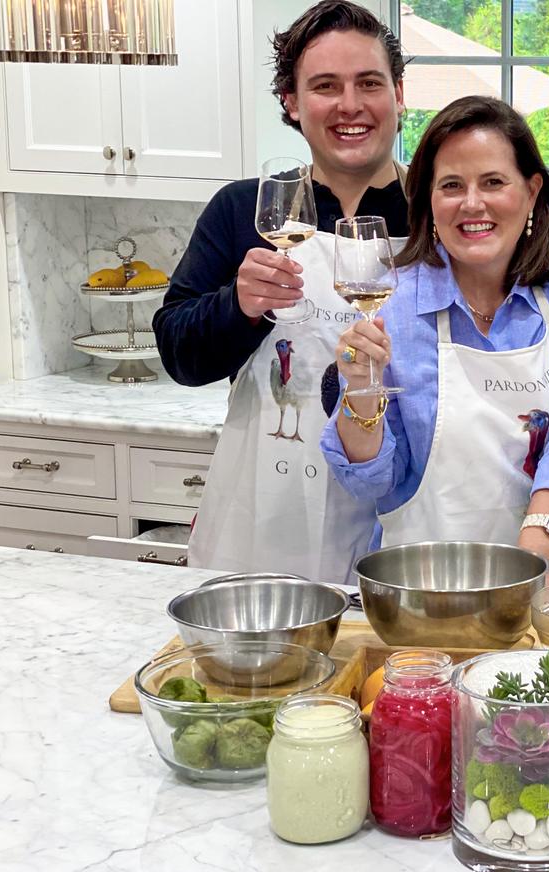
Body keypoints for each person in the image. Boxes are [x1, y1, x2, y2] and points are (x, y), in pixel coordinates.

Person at [151, 0, 409, 582]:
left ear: (398, 92)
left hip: (401, 516)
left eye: (369, 83)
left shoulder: (439, 214)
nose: (350, 105)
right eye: (325, 86)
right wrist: (237, 305)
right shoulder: (244, 210)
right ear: (291, 102)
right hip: (268, 516)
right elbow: (179, 355)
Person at [320, 95, 549, 582]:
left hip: (548, 566)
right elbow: (373, 480)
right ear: (429, 199)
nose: (472, 204)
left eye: (493, 182)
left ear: (532, 189)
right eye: (451, 185)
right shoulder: (391, 292)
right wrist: (360, 390)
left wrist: (540, 534)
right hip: (421, 584)